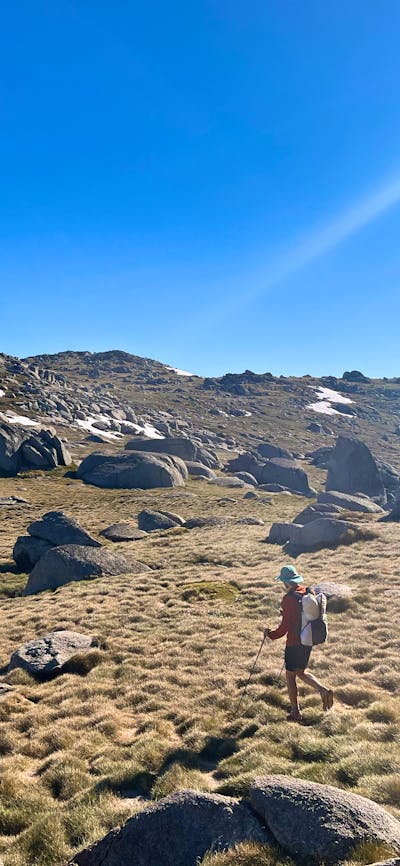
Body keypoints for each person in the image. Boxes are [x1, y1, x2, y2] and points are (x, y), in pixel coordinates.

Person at [264, 564, 333, 723]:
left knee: (290, 676)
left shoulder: (288, 599)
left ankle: (295, 711)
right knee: (300, 672)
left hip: (294, 643)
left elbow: (284, 628)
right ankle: (323, 690)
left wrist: (270, 634)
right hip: (307, 640)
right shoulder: (308, 591)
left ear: (286, 582)